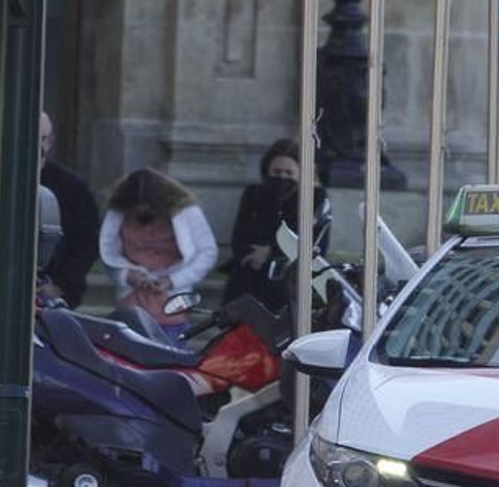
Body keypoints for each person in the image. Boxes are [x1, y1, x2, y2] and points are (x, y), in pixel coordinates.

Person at [99, 168, 219, 341]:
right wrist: (128, 275)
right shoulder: (118, 212)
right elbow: (109, 254)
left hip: (171, 300)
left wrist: (172, 281)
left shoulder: (186, 212)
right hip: (131, 299)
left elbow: (207, 252)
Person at [224, 138, 329, 313]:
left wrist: (270, 252)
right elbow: (239, 236)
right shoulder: (254, 194)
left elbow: (313, 242)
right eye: (277, 171)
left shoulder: (315, 198)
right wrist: (253, 255)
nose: (282, 177)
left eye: (289, 173)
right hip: (247, 281)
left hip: (287, 287)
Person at [36, 112, 101, 308]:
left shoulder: (72, 187)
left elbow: (87, 242)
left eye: (42, 138)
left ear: (50, 142)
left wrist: (61, 285)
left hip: (54, 291)